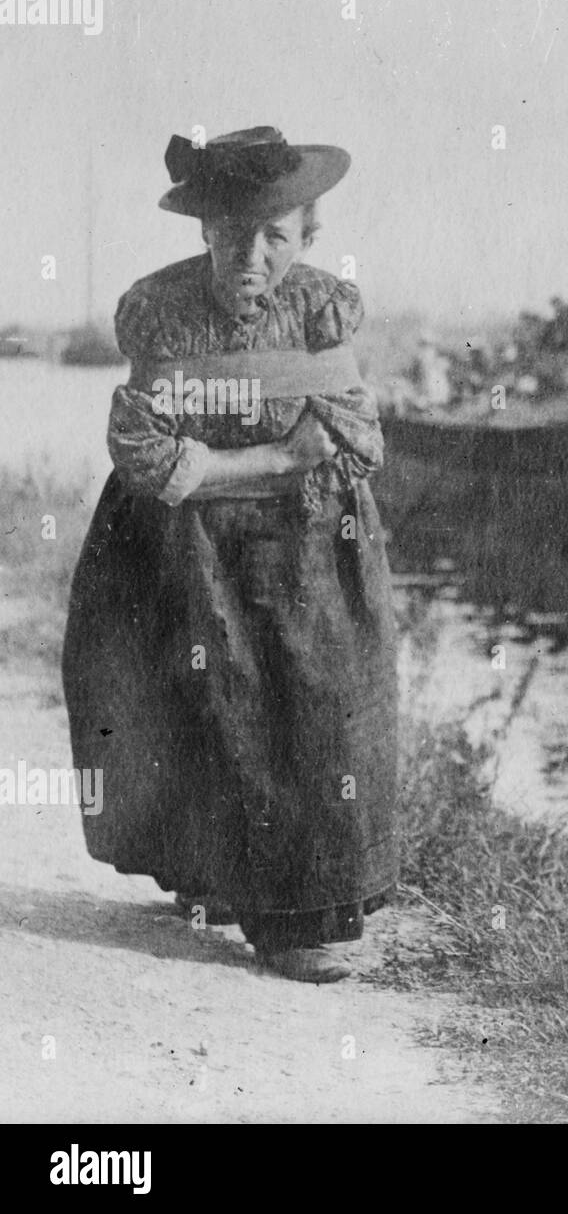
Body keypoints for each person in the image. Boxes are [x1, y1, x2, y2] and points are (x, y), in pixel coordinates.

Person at [61, 126, 398, 983]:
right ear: (204, 229)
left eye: (276, 236)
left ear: (306, 236)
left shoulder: (323, 306)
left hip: (305, 540)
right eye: (233, 233)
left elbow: (352, 438)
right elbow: (143, 448)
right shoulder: (161, 308)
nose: (252, 255)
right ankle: (212, 876)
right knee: (204, 698)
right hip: (179, 543)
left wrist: (234, 463)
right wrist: (245, 461)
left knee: (314, 705)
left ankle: (299, 917)